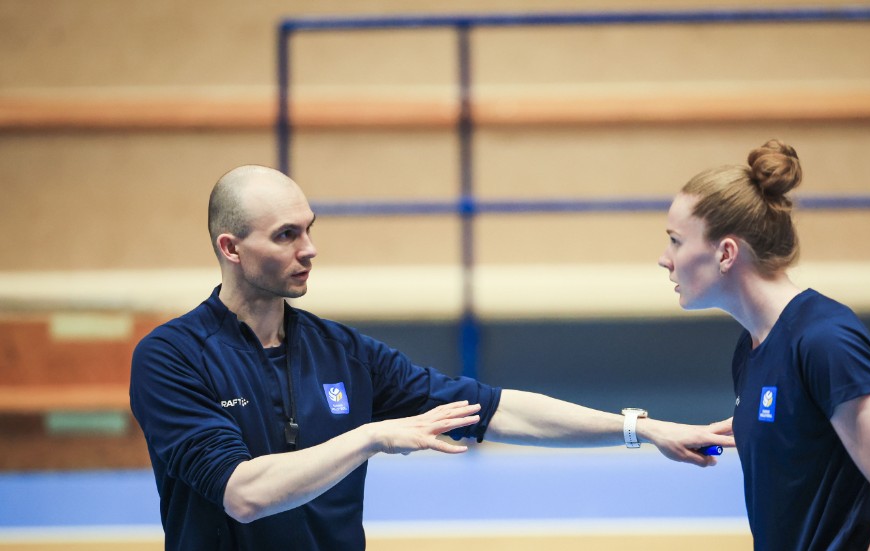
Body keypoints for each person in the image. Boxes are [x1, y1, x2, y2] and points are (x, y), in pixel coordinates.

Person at [130, 164, 734, 550]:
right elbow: (243, 494)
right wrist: (371, 437)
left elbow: (495, 412)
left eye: (309, 229)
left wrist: (638, 428)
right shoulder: (172, 358)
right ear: (230, 248)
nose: (310, 249)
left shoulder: (340, 350)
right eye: (286, 235)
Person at [657, 139, 870, 550]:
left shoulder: (826, 339)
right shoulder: (751, 347)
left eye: (676, 240)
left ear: (725, 253)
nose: (665, 258)